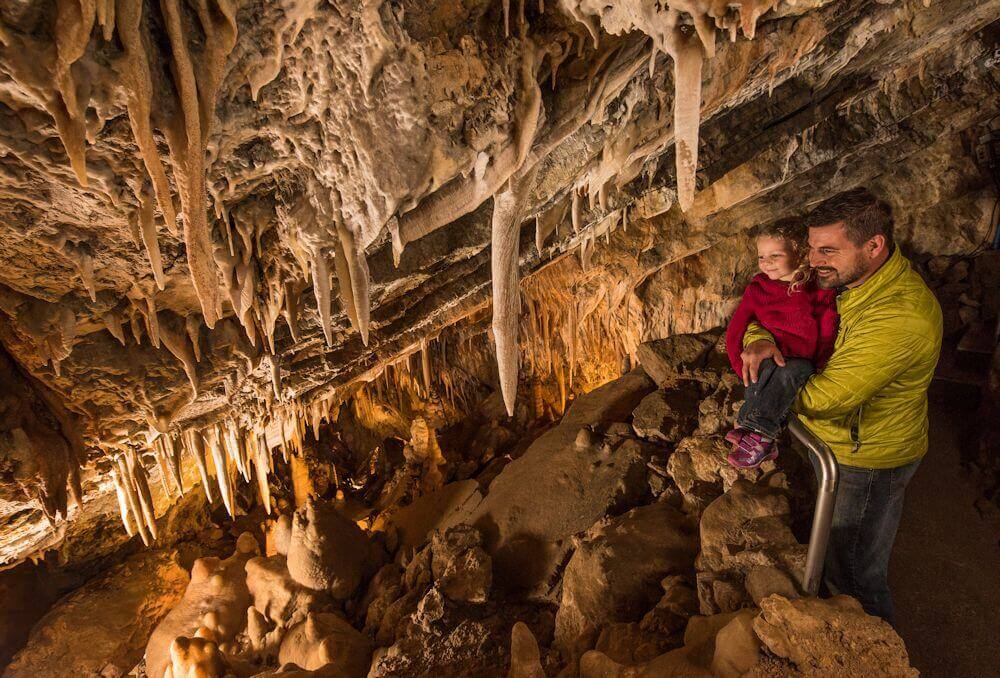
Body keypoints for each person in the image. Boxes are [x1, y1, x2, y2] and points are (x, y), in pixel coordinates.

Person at [740, 188, 943, 625]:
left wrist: (770, 391)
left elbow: (826, 398)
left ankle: (874, 654)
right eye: (812, 248)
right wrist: (759, 339)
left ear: (874, 246)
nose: (813, 261)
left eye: (827, 249)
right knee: (834, 550)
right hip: (838, 445)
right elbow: (773, 310)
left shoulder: (899, 316)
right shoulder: (848, 279)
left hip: (866, 459)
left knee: (853, 573)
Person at [724, 219, 839, 468]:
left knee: (788, 374)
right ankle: (757, 435)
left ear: (799, 254)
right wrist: (737, 361)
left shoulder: (816, 287)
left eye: (775, 255)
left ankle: (759, 435)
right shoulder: (757, 289)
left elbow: (827, 324)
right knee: (758, 376)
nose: (766, 262)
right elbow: (737, 326)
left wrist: (822, 361)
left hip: (801, 360)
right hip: (770, 354)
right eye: (761, 256)